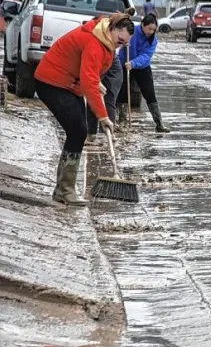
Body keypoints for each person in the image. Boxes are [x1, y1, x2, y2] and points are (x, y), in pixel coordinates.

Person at [34, 10, 134, 205]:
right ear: (112, 28)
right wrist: (103, 116)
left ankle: (63, 188)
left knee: (79, 131)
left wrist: (96, 83)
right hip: (52, 81)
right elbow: (88, 81)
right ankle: (65, 190)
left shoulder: (105, 39)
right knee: (78, 130)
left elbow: (89, 72)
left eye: (124, 44)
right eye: (119, 40)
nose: (119, 46)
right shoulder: (95, 43)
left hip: (71, 84)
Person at [118, 13, 169, 133]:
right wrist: (123, 42)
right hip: (124, 64)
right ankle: (122, 122)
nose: (151, 32)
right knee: (123, 92)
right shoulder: (131, 31)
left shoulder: (153, 41)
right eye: (149, 28)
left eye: (153, 29)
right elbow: (117, 40)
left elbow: (146, 56)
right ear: (142, 25)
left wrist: (133, 63)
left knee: (149, 93)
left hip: (141, 67)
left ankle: (159, 123)